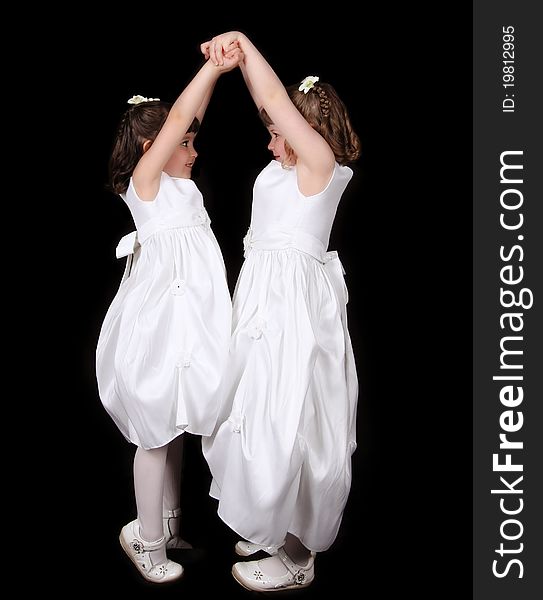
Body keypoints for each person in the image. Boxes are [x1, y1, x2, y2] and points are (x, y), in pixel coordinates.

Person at [200, 32, 361, 592]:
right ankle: (273, 519)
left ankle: (298, 557)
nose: (272, 144)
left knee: (295, 420)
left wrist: (245, 44)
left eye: (278, 133)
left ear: (306, 129)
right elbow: (269, 105)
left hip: (293, 314)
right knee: (255, 415)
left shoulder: (321, 164)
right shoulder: (290, 166)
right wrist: (238, 65)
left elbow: (275, 105)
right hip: (263, 305)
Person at [95, 45, 242, 584]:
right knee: (155, 432)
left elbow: (186, 117)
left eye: (194, 142)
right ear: (153, 148)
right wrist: (214, 69)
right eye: (186, 144)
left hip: (191, 326)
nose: (194, 151)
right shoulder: (148, 184)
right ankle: (148, 541)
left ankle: (169, 526)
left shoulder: (183, 189)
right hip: (159, 327)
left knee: (179, 424)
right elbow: (181, 114)